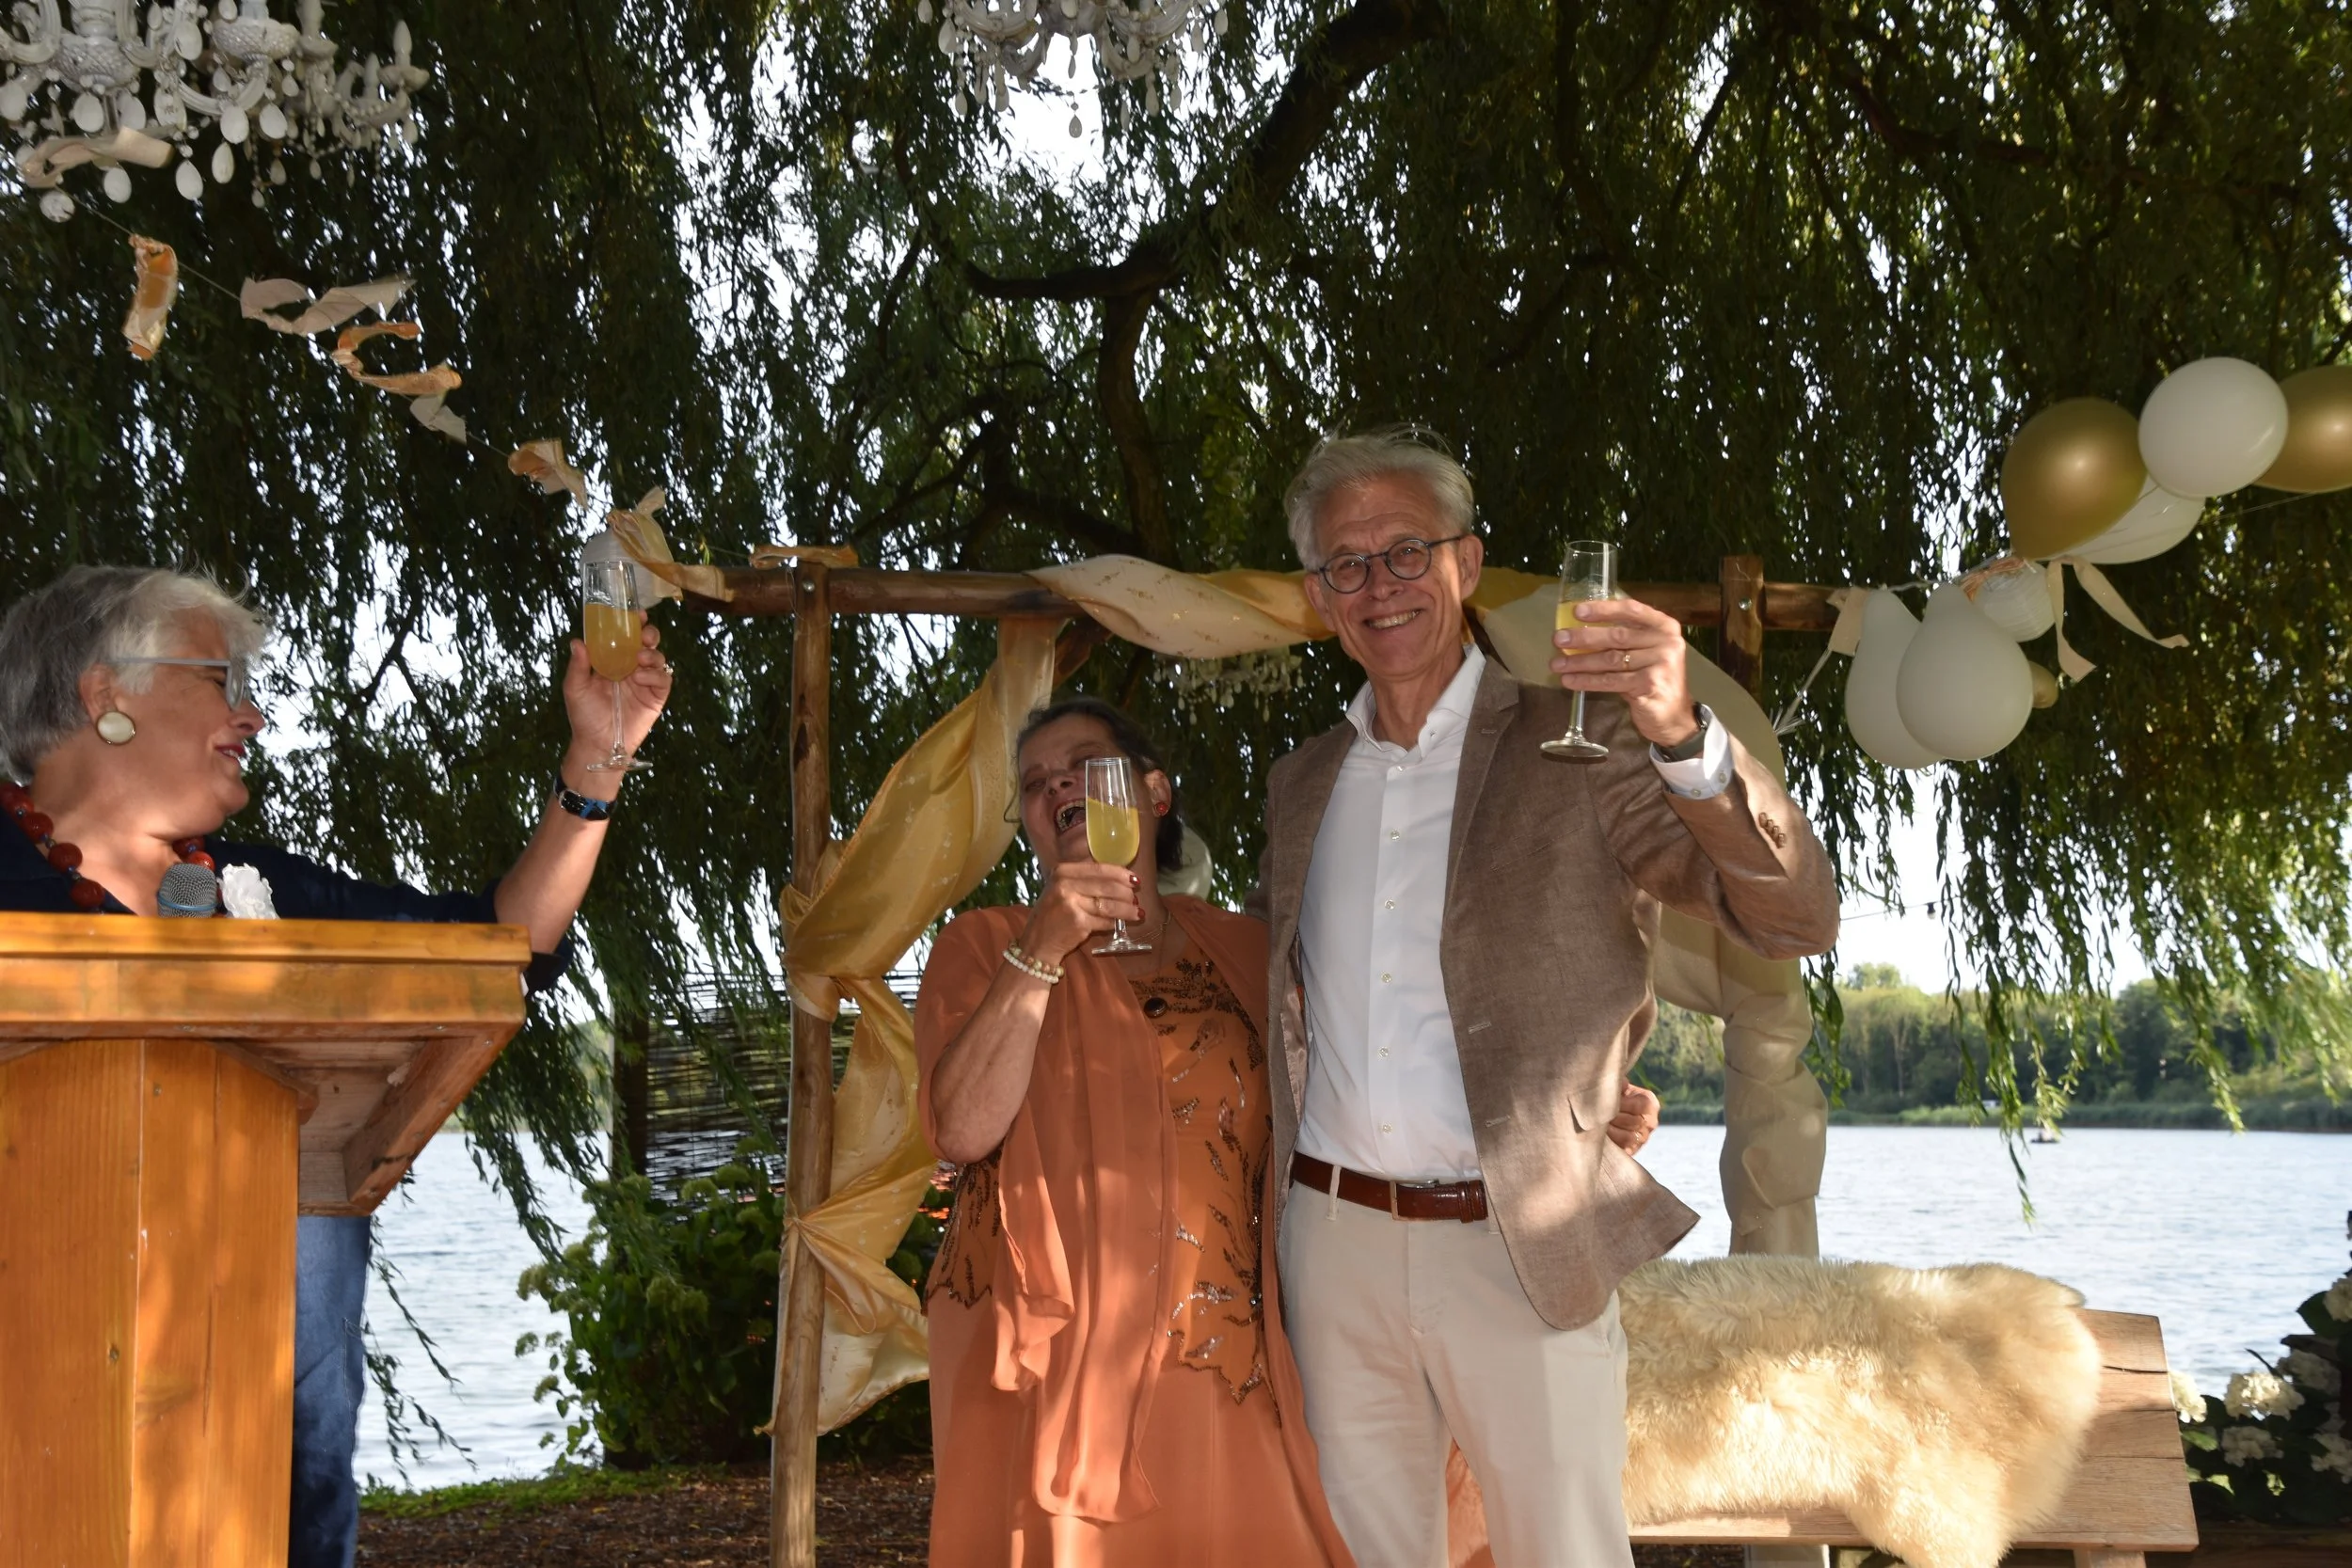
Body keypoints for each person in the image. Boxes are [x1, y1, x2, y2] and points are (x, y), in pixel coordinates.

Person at [0, 564, 670, 1568]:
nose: (252, 714)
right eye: (218, 682)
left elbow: (504, 947)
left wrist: (596, 766)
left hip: (278, 1499)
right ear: (104, 695)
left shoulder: (262, 892)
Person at [1253, 431, 1841, 1568]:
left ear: (1467, 563)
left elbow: (1792, 917)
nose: (1379, 583)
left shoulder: (1587, 744)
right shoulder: (1301, 780)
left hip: (1517, 1235)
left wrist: (1680, 732)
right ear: (1317, 596)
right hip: (1330, 1242)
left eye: (1407, 550)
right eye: (1346, 563)